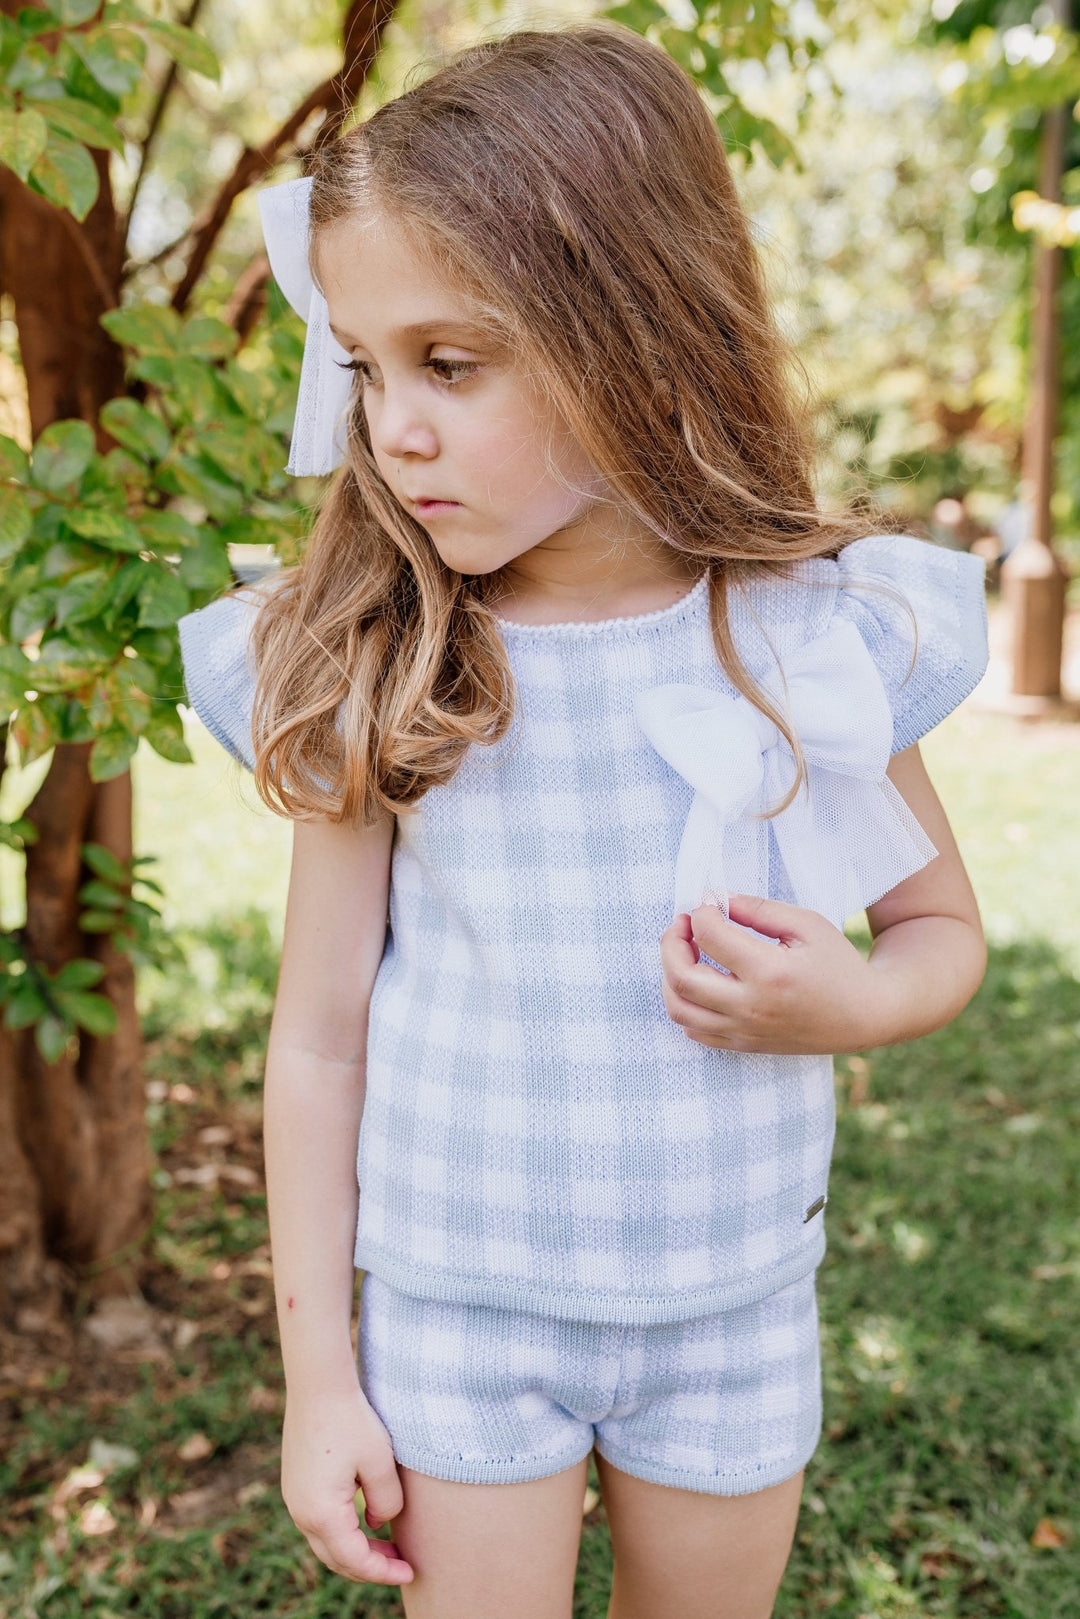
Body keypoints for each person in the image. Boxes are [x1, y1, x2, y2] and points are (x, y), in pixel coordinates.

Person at [177, 22, 990, 1619]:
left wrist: (861, 1000)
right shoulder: (387, 654)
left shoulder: (804, 642)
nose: (390, 428)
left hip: (738, 1306)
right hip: (464, 1320)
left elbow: (940, 931)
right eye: (363, 367)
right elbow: (320, 1034)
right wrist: (319, 1380)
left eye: (449, 364)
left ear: (636, 333)